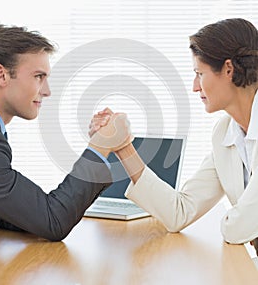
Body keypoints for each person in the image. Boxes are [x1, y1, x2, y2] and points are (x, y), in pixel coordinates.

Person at [90, 18, 258, 253]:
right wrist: (124, 147)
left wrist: (244, 226)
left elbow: (237, 229)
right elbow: (179, 212)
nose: (194, 86)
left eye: (199, 73)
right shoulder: (224, 134)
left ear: (228, 69)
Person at [0, 24, 131, 241]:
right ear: (1, 74)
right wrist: (101, 146)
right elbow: (53, 221)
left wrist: (30, 215)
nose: (47, 91)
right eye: (38, 76)